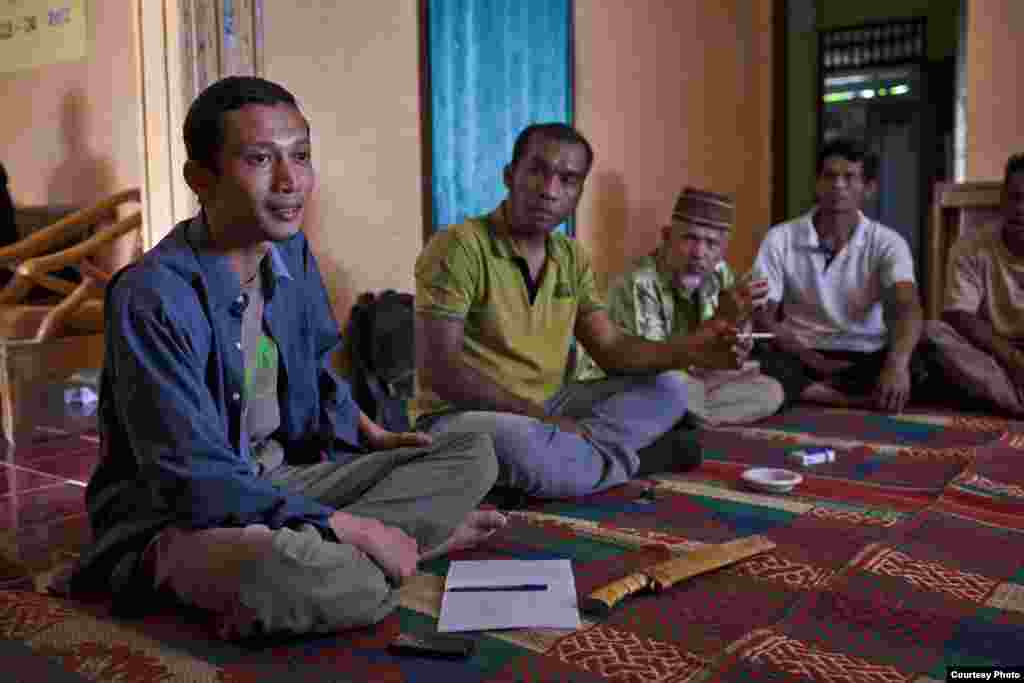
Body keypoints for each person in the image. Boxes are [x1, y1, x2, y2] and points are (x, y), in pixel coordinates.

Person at [68, 76, 504, 640]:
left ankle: (359, 551)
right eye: (259, 159)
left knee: (473, 451)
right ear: (201, 179)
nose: (289, 181)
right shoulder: (150, 295)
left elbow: (313, 370)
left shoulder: (291, 252)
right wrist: (348, 525)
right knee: (302, 576)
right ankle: (392, 547)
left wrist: (367, 431)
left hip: (281, 482)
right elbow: (190, 479)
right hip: (181, 516)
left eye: (300, 156)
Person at [412, 123, 742, 499]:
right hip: (458, 416)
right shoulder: (459, 246)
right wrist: (544, 420)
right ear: (509, 175)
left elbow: (612, 349)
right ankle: (627, 462)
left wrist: (692, 350)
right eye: (537, 171)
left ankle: (563, 468)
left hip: (552, 405)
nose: (550, 190)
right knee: (518, 444)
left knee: (673, 387)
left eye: (568, 180)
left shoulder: (571, 256)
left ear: (579, 192)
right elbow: (443, 372)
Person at [576, 187, 784, 426]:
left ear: (722, 250)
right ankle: (685, 414)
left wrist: (739, 343)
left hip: (694, 379)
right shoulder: (640, 283)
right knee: (672, 385)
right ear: (667, 237)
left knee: (771, 389)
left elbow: (722, 348)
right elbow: (652, 363)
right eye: (690, 238)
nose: (699, 253)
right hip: (632, 381)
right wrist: (719, 325)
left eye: (711, 243)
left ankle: (686, 416)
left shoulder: (720, 275)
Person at [752, 138, 925, 413]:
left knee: (920, 360)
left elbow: (907, 305)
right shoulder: (780, 238)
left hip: (865, 355)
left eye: (849, 177)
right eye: (829, 176)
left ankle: (809, 392)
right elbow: (762, 316)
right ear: (817, 184)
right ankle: (847, 397)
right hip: (799, 353)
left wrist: (896, 364)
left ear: (868, 188)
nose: (838, 185)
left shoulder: (888, 242)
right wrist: (815, 361)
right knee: (750, 353)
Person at [926, 153, 1024, 416]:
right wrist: (1011, 358)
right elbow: (959, 315)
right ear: (1003, 199)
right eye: (1015, 197)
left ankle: (1007, 400)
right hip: (993, 356)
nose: (1021, 209)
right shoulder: (970, 247)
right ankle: (1012, 399)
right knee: (933, 332)